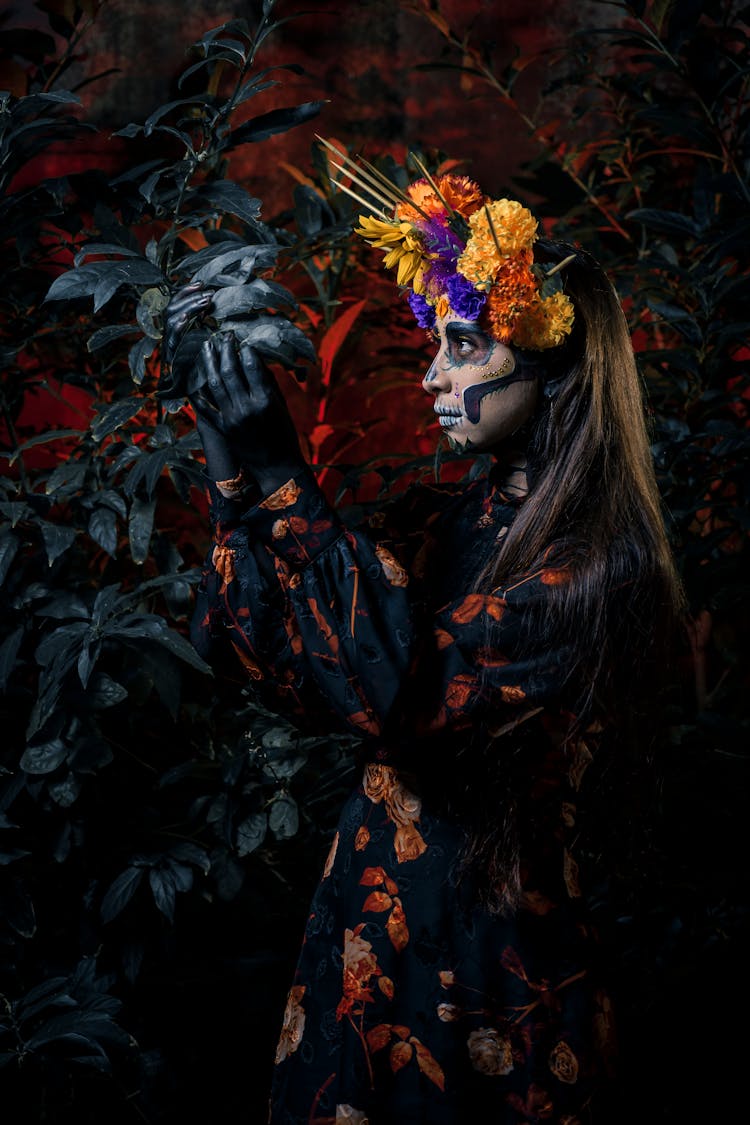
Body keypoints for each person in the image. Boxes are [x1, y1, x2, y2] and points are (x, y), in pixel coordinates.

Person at [163, 160, 685, 1124]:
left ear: (549, 363)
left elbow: (392, 691)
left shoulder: (601, 572)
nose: (435, 374)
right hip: (376, 949)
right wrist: (230, 454)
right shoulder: (451, 518)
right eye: (434, 344)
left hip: (492, 989)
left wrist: (283, 467)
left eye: (464, 344)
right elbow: (266, 654)